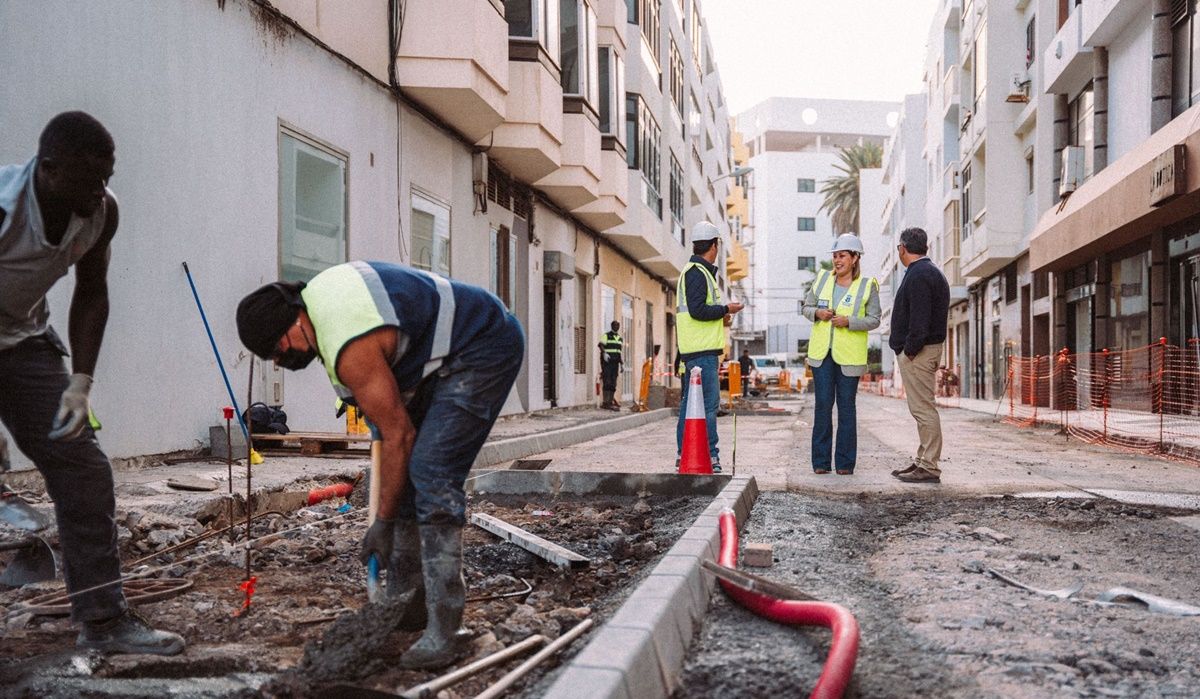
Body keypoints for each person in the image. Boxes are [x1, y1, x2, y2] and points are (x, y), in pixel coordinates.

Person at [236, 260, 523, 669]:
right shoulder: (322, 309)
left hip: (484, 343)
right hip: (441, 360)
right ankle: (406, 606)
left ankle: (446, 629)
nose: (281, 363)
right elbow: (388, 422)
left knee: (432, 471)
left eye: (277, 351)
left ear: (293, 322)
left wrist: (383, 523)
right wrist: (389, 499)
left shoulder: (346, 343)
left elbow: (398, 435)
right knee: (403, 476)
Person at [0, 112, 183, 654]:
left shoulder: (102, 212)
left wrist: (81, 380)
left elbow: (92, 290)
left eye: (107, 177)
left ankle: (104, 622)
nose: (100, 190)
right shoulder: (5, 209)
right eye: (90, 179)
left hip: (24, 340)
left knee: (84, 470)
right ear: (49, 169)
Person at [802, 234, 881, 475]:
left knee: (846, 408)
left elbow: (874, 319)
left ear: (855, 258)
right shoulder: (822, 279)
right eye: (835, 256)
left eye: (843, 256)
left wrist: (849, 321)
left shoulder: (867, 285)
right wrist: (817, 313)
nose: (837, 260)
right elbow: (806, 307)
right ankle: (821, 462)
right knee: (823, 406)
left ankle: (845, 463)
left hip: (849, 357)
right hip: (822, 354)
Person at [675, 221, 744, 473]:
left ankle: (686, 454)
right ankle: (709, 456)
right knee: (707, 406)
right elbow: (697, 310)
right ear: (714, 245)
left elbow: (697, 311)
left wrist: (721, 316)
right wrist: (726, 308)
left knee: (691, 406)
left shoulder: (696, 271)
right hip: (700, 353)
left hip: (697, 350)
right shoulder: (697, 273)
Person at [889, 227, 950, 484]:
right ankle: (923, 459)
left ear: (902, 248)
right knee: (921, 408)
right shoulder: (927, 272)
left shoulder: (920, 275)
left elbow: (919, 320)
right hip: (922, 351)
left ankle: (929, 466)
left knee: (923, 409)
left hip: (920, 353)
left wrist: (910, 350)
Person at [598, 321, 623, 410]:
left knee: (613, 383)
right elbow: (601, 345)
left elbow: (619, 352)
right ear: (612, 326)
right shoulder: (606, 335)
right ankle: (605, 402)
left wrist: (621, 364)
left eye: (618, 325)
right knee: (607, 381)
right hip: (607, 363)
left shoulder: (619, 338)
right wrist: (604, 353)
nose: (617, 327)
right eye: (615, 325)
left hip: (615, 363)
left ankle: (610, 401)